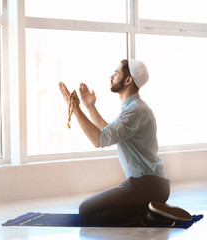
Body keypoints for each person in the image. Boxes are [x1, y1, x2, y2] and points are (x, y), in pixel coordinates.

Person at [59, 59, 192, 227]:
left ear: (128, 80)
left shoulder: (135, 110)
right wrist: (90, 106)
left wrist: (75, 108)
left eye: (116, 73)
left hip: (146, 185)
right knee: (96, 213)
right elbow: (109, 134)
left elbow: (98, 140)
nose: (111, 76)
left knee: (86, 210)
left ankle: (149, 213)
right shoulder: (134, 108)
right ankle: (153, 209)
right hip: (151, 185)